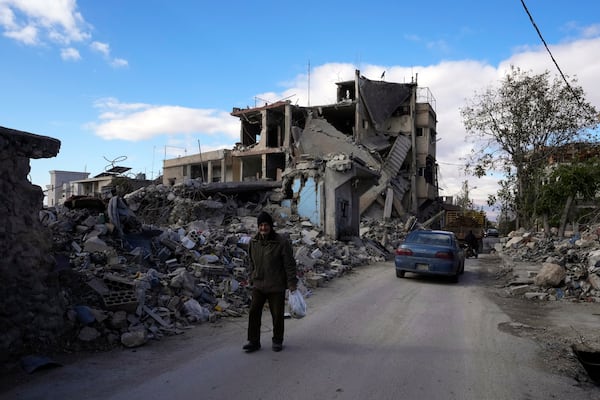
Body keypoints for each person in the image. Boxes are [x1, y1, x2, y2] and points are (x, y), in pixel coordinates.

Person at [243, 211, 298, 353]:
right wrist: (251, 277)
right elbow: (251, 262)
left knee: (277, 315)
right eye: (260, 225)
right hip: (259, 284)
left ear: (271, 226)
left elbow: (290, 265)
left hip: (276, 285)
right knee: (254, 312)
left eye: (266, 225)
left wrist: (292, 284)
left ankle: (277, 340)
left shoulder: (281, 242)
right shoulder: (253, 242)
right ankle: (253, 341)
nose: (263, 228)